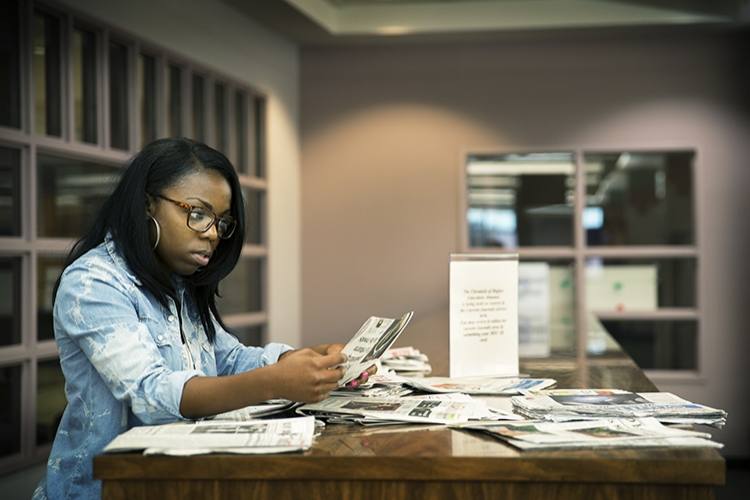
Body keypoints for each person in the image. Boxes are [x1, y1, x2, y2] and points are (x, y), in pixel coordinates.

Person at [32, 138, 375, 500]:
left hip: (183, 480)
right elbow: (152, 393)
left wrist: (302, 359)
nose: (212, 233)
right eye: (198, 214)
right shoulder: (93, 282)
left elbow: (228, 360)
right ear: (147, 203)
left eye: (221, 222)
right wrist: (274, 381)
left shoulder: (177, 281)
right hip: (105, 489)